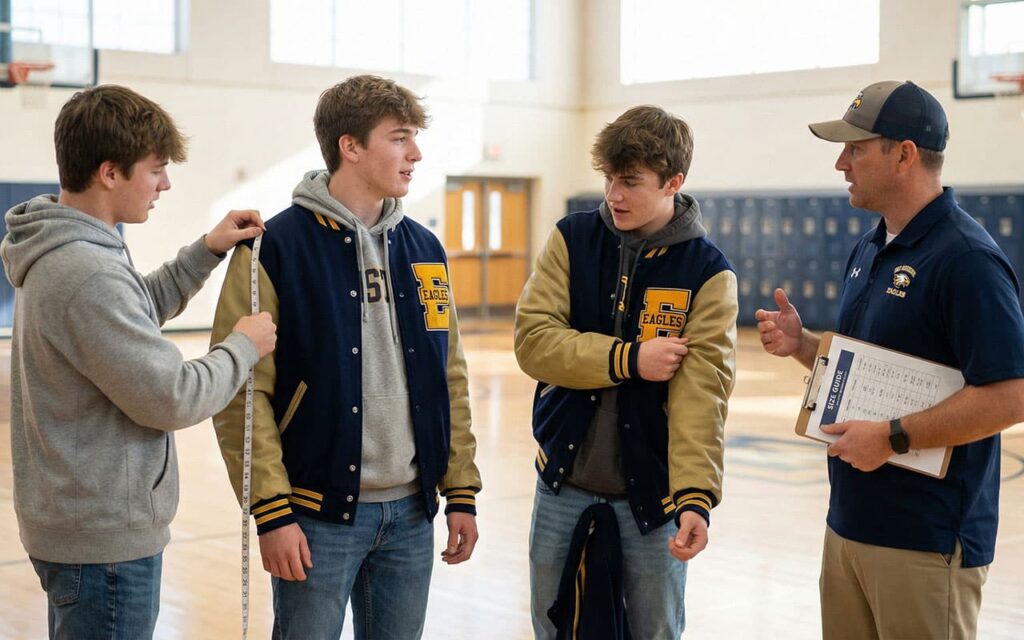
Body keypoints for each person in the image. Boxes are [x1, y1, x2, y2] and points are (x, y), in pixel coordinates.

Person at [210, 74, 482, 640]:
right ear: (350, 147)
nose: (416, 153)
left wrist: (461, 490)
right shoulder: (272, 247)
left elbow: (447, 375)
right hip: (314, 515)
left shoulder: (425, 249)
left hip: (412, 517)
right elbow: (241, 391)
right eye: (400, 138)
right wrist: (271, 510)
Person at [0, 84, 277, 640]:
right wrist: (243, 345)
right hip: (104, 546)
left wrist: (206, 250)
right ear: (109, 172)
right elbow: (172, 396)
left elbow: (132, 313)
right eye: (155, 170)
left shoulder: (65, 248)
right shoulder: (88, 271)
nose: (165, 184)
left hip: (79, 530)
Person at [756, 80, 1024, 639]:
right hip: (849, 525)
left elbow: (1010, 394)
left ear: (903, 154)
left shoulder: (967, 259)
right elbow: (872, 375)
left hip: (927, 540)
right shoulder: (871, 246)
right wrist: (805, 346)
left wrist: (894, 438)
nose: (840, 163)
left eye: (856, 148)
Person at [514, 105, 738, 638]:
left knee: (653, 631)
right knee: (552, 627)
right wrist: (629, 359)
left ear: (673, 182)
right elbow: (533, 343)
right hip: (561, 486)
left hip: (654, 500)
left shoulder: (707, 273)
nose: (614, 194)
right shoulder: (571, 238)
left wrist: (695, 499)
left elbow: (702, 396)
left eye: (631, 182)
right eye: (609, 179)